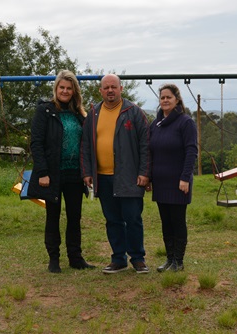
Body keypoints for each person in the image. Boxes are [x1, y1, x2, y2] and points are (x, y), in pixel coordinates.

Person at [81, 74, 151, 274]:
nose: (110, 90)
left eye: (114, 87)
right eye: (106, 87)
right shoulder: (93, 114)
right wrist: (87, 172)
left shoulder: (134, 112)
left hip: (129, 177)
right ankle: (118, 259)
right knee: (112, 220)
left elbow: (146, 145)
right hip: (102, 177)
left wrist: (144, 173)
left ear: (121, 88)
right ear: (100, 91)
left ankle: (138, 259)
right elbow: (85, 145)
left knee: (133, 219)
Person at [28, 70, 95, 273]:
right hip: (53, 174)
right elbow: (36, 143)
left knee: (75, 217)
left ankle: (75, 258)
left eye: (69, 88)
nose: (65, 91)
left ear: (74, 91)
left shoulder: (79, 115)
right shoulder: (45, 111)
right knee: (53, 216)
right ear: (56, 89)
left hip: (75, 174)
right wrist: (43, 173)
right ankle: (54, 259)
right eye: (61, 87)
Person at [148, 83, 197, 272]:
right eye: (162, 98)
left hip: (178, 182)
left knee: (177, 221)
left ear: (177, 99)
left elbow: (191, 151)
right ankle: (169, 259)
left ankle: (179, 261)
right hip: (161, 182)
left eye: (169, 97)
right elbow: (151, 152)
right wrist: (150, 178)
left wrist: (185, 178)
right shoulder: (156, 124)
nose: (165, 100)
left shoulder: (185, 123)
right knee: (165, 222)